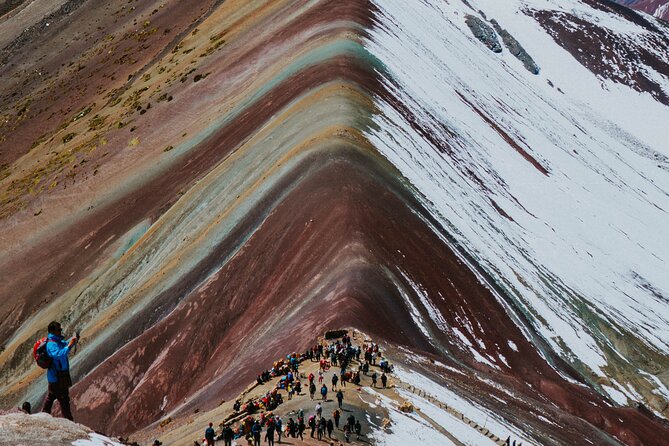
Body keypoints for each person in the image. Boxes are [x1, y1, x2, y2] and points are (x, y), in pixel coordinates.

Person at [42, 321, 78, 420]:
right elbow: (58, 354)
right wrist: (69, 346)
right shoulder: (51, 344)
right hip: (58, 376)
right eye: (58, 330)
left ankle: (44, 415)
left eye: (60, 329)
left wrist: (72, 341)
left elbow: (64, 344)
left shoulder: (57, 341)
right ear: (52, 331)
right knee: (64, 399)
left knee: (52, 396)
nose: (60, 331)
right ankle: (69, 420)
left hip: (57, 376)